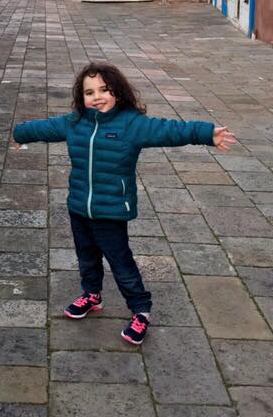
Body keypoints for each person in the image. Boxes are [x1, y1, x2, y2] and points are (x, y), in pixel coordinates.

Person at [12, 62, 236, 346]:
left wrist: (207, 134)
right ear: (81, 98)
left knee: (120, 261)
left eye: (104, 90)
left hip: (111, 210)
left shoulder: (132, 125)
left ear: (117, 92)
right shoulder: (75, 123)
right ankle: (92, 294)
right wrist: (19, 134)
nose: (97, 97)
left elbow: (170, 130)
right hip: (79, 206)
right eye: (89, 92)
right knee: (86, 256)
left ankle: (141, 309)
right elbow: (43, 128)